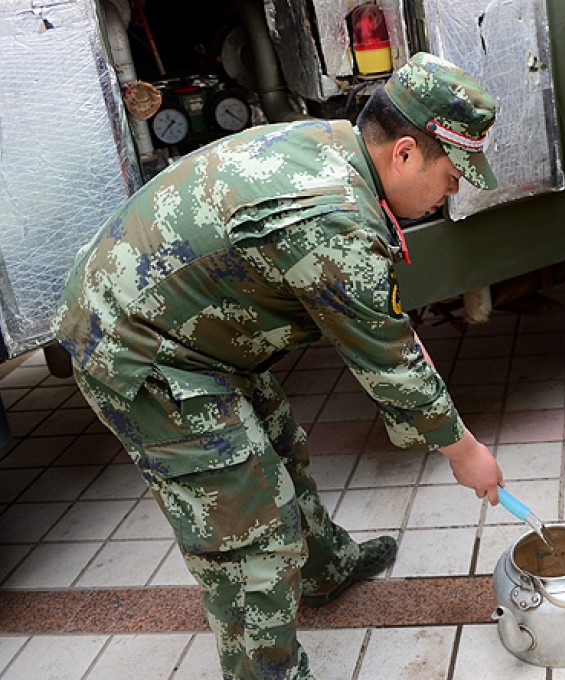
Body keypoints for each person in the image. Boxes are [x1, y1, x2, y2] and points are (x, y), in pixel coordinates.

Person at [51, 52, 504, 679]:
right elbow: (389, 360)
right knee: (248, 535)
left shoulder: (336, 145)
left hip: (195, 327)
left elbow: (383, 332)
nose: (453, 190)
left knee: (279, 441)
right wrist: (465, 450)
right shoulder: (333, 216)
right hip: (141, 348)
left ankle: (324, 569)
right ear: (404, 153)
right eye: (453, 174)